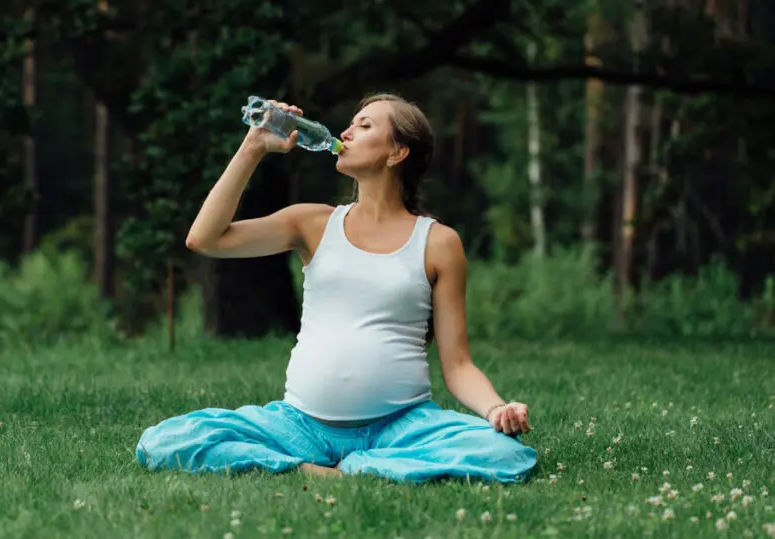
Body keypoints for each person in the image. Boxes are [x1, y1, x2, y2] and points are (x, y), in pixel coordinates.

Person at [134, 93, 538, 484]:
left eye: (364, 126)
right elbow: (205, 239)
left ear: (397, 153)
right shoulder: (311, 222)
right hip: (300, 426)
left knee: (505, 453)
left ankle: (350, 465)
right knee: (164, 441)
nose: (346, 132)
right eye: (350, 124)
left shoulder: (439, 243)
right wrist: (253, 146)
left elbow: (458, 365)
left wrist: (496, 409)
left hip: (402, 427)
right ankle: (332, 469)